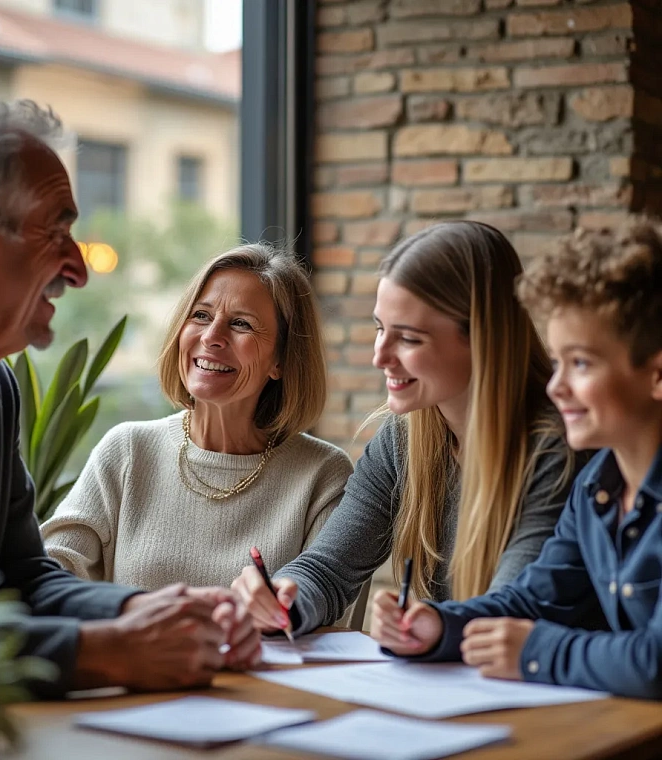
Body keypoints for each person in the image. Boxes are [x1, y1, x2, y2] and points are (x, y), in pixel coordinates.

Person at [0, 88, 259, 699]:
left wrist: (150, 613)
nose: (79, 266)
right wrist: (97, 655)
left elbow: (23, 579)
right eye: (56, 232)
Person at [233, 221, 582, 636]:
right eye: (381, 328)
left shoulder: (558, 448)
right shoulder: (405, 438)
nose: (380, 356)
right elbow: (329, 568)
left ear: (482, 340)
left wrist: (431, 627)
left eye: (409, 339)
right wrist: (285, 597)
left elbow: (510, 612)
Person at [371, 218, 662, 700]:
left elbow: (654, 662)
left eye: (582, 363)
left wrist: (538, 651)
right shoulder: (596, 488)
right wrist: (440, 626)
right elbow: (535, 599)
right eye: (558, 360)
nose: (556, 386)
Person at [41, 244, 353, 595]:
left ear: (280, 359)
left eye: (240, 324)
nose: (211, 337)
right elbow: (51, 580)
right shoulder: (127, 450)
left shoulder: (324, 476)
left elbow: (327, 622)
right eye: (201, 316)